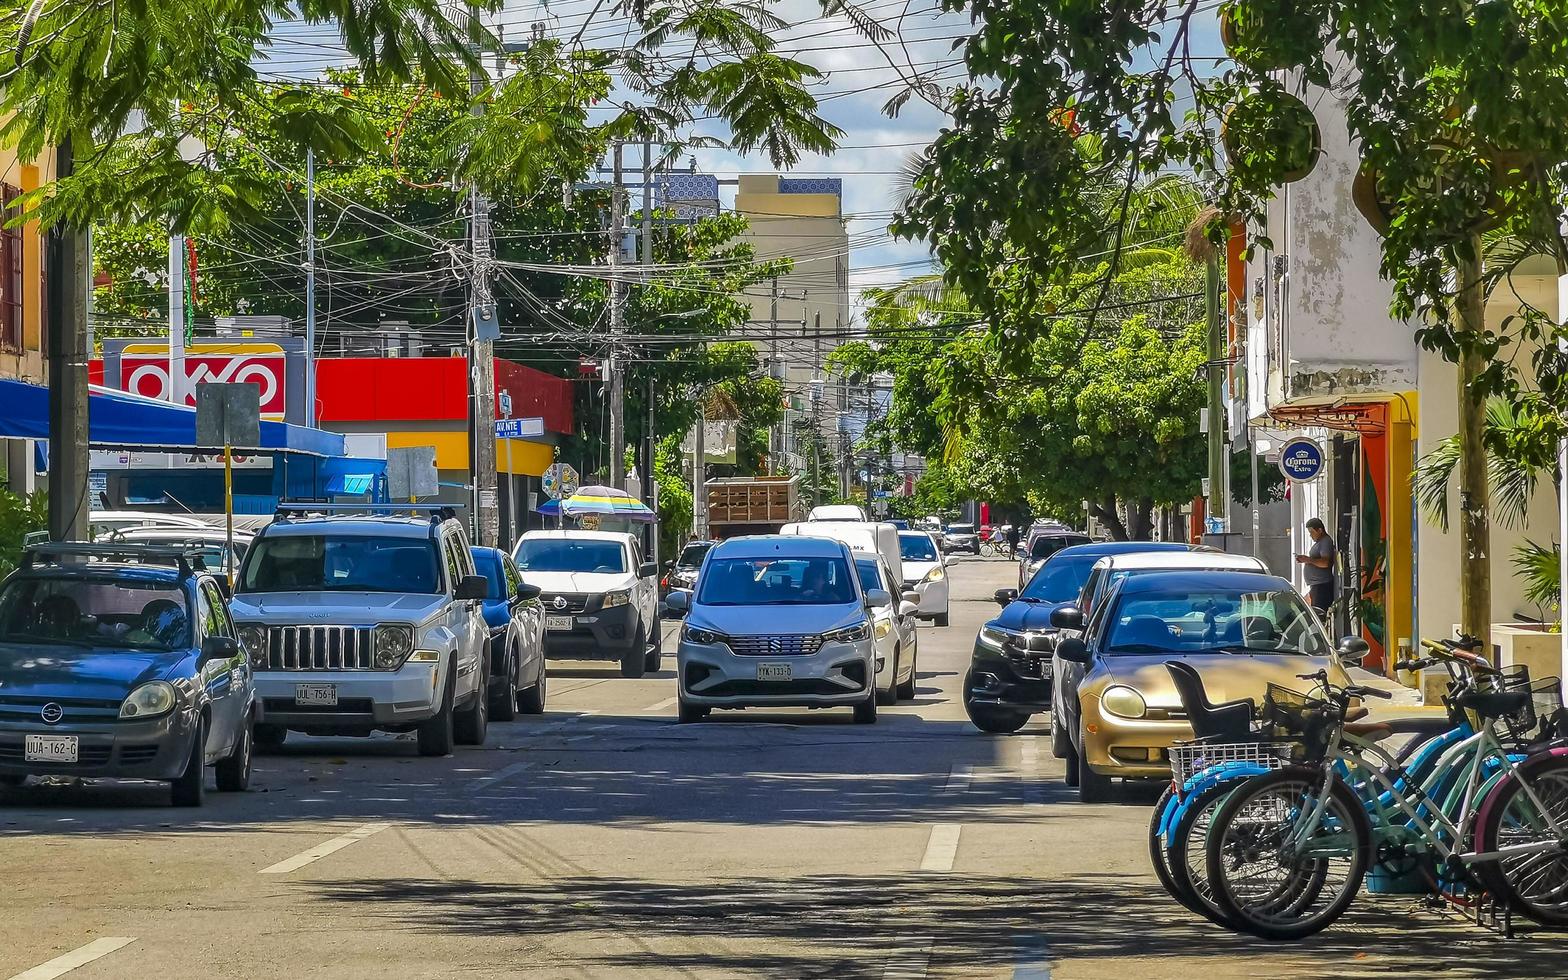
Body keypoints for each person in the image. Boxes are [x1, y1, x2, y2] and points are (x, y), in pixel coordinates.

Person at [1295, 518, 1337, 617]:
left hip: (1322, 586)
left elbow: (1326, 562)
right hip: (1317, 586)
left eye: (1312, 532)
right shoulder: (1320, 542)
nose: (1310, 535)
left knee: (1320, 615)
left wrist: (1308, 560)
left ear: (1320, 530)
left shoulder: (1325, 542)